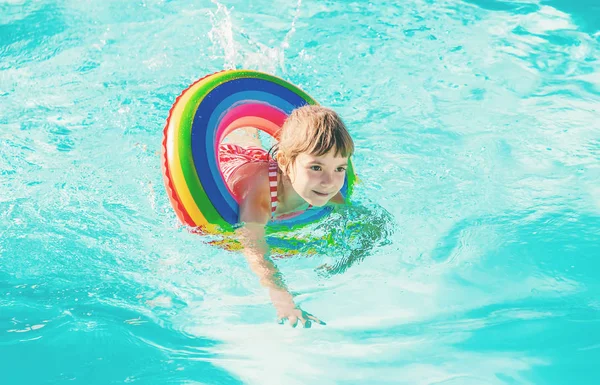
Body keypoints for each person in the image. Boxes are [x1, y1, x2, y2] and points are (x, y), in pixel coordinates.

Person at [218, 105, 354, 328]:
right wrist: (283, 300)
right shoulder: (261, 195)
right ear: (283, 162)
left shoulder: (328, 190)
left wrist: (344, 259)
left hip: (264, 161)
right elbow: (254, 249)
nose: (330, 182)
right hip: (233, 162)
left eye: (339, 168)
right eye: (316, 167)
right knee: (242, 135)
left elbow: (355, 220)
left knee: (253, 142)